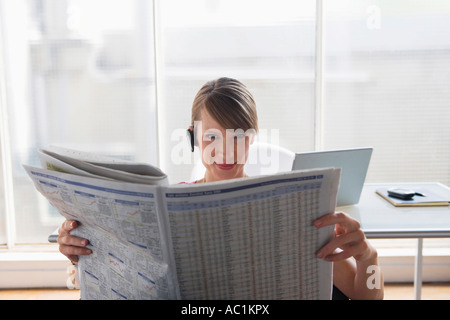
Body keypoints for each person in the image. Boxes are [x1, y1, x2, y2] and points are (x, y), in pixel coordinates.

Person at [58, 77, 384, 300]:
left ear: (253, 138)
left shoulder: (291, 208)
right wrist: (82, 257)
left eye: (238, 137)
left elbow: (370, 295)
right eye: (213, 137)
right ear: (193, 137)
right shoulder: (167, 208)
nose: (226, 151)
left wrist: (369, 257)